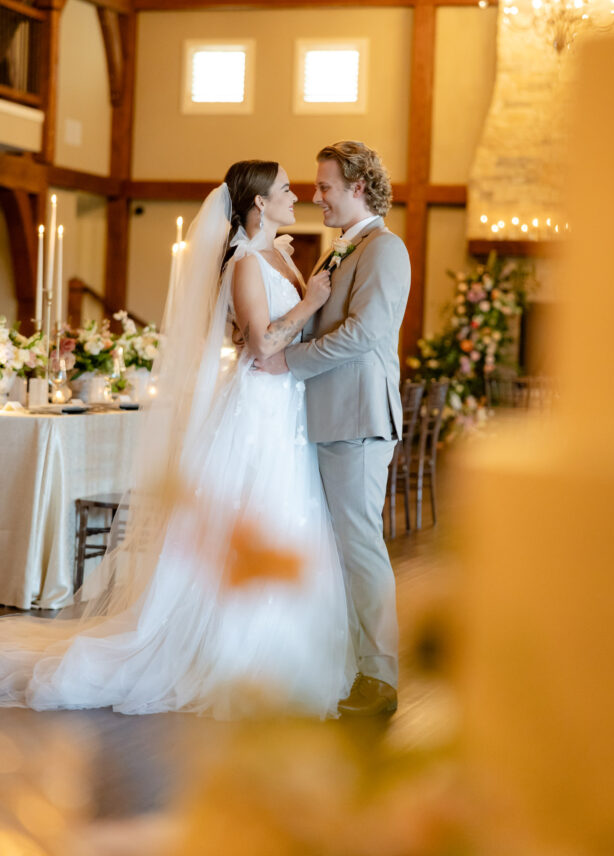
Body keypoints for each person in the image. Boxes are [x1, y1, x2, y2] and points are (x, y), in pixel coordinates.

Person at [0, 161, 353, 719]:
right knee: (255, 514)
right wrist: (310, 302)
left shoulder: (279, 254)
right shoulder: (242, 265)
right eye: (285, 188)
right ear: (259, 203)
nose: (295, 196)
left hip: (287, 408)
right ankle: (231, 655)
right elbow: (261, 345)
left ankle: (281, 652)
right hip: (258, 408)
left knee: (289, 517)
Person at [256, 141, 411, 717]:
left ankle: (380, 680)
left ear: (358, 188)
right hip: (323, 417)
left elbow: (364, 334)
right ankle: (345, 664)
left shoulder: (384, 249)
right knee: (335, 549)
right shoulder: (336, 251)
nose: (315, 196)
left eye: (324, 187)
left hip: (357, 417)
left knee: (360, 547)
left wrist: (287, 363)